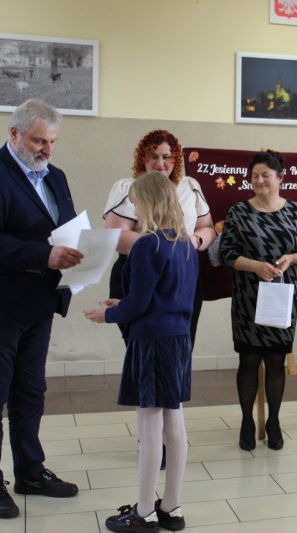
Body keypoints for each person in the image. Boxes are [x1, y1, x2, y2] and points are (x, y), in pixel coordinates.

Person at [0, 99, 82, 519]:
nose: (47, 149)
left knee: (30, 393)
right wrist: (44, 256)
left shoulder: (55, 176)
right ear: (14, 134)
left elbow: (65, 228)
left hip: (39, 303)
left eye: (52, 141)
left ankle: (29, 471)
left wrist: (82, 253)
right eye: (38, 141)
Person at [85, 172, 198, 532]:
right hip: (178, 338)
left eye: (136, 202)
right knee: (174, 418)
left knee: (149, 423)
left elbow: (140, 305)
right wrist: (123, 303)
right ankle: (172, 507)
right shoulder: (186, 244)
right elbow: (163, 298)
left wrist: (107, 314)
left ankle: (144, 511)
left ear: (149, 201)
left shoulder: (148, 245)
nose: (135, 209)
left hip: (151, 341)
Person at [217, 150, 297, 452]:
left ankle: (273, 421)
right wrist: (255, 266)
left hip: (282, 298)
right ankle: (246, 421)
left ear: (280, 178)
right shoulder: (239, 212)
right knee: (248, 361)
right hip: (248, 299)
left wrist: (292, 258)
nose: (259, 180)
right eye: (255, 176)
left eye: (266, 175)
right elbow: (225, 254)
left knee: (276, 362)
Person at [103, 129, 215, 347]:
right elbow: (115, 236)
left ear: (176, 159)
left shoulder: (189, 186)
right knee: (143, 345)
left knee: (182, 345)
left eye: (166, 157)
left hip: (182, 273)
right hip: (140, 271)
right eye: (153, 156)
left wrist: (193, 241)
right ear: (142, 159)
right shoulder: (128, 187)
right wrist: (165, 247)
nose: (160, 163)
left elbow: (208, 228)